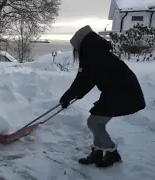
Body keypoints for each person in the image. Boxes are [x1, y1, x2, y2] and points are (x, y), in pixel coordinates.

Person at [59, 25, 146, 168]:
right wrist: (72, 95)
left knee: (93, 122)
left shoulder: (94, 56)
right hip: (119, 93)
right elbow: (85, 81)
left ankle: (112, 152)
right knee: (97, 121)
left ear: (83, 44)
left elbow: (84, 80)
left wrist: (68, 96)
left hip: (124, 95)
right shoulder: (97, 52)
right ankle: (97, 152)